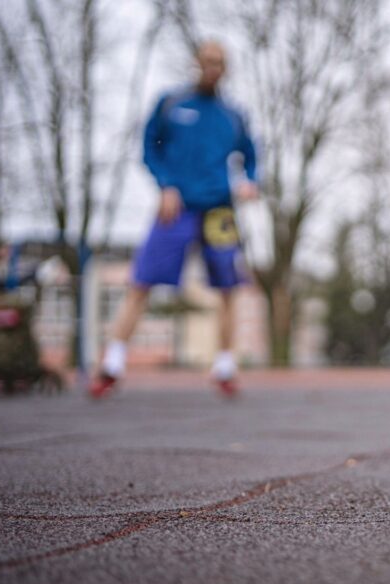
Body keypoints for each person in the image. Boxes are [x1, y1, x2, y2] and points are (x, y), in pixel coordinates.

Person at [90, 41, 259, 399]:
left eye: (220, 63)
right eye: (208, 61)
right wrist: (166, 185)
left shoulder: (234, 115)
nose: (213, 67)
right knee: (141, 282)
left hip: (220, 211)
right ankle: (112, 365)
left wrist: (248, 181)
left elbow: (251, 155)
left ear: (226, 69)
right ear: (198, 63)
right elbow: (150, 148)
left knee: (229, 288)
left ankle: (225, 367)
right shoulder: (172, 104)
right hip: (176, 207)